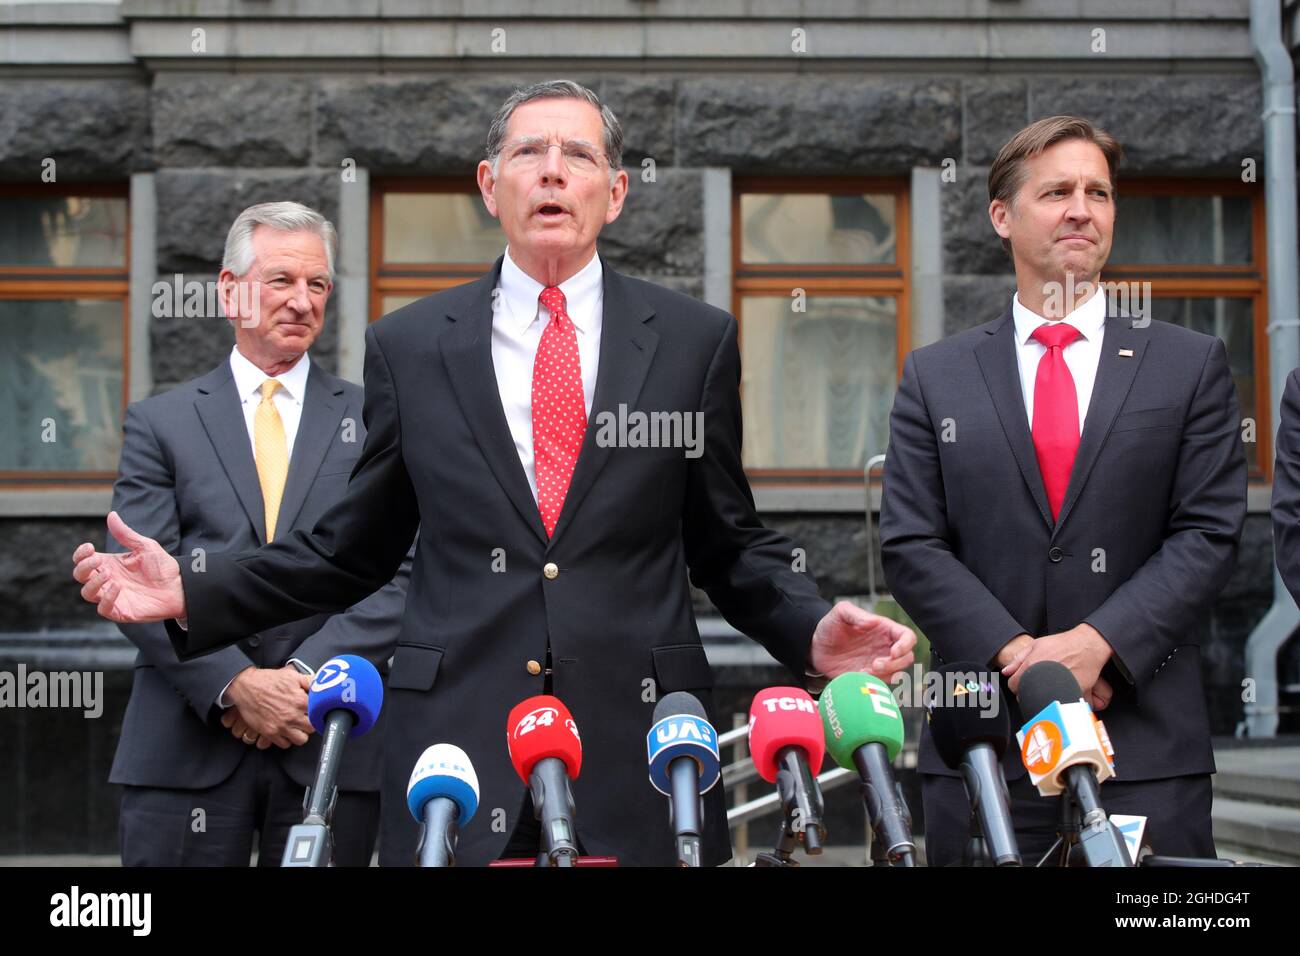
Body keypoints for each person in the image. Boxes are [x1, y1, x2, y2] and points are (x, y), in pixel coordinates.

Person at [73, 80, 915, 867]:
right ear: (489, 184)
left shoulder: (693, 343)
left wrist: (809, 631)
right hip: (452, 756)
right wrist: (194, 589)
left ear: (614, 193)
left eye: (579, 155)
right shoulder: (411, 346)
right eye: (528, 153)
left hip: (641, 751)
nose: (552, 171)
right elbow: (348, 552)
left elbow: (727, 543)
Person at [880, 115, 1246, 864]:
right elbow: (912, 542)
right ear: (1002, 217)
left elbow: (1208, 533)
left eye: (1098, 192)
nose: (1083, 208)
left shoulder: (1189, 365)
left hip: (1142, 751)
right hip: (981, 745)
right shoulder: (935, 375)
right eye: (1057, 192)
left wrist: (1098, 646)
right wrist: (1024, 659)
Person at [106, 202, 411, 866]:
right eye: (281, 280)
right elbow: (137, 577)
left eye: (318, 285)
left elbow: (406, 569)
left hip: (331, 736)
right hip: (185, 742)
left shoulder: (376, 417)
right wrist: (237, 684)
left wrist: (304, 679)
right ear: (231, 289)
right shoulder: (161, 424)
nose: (302, 301)